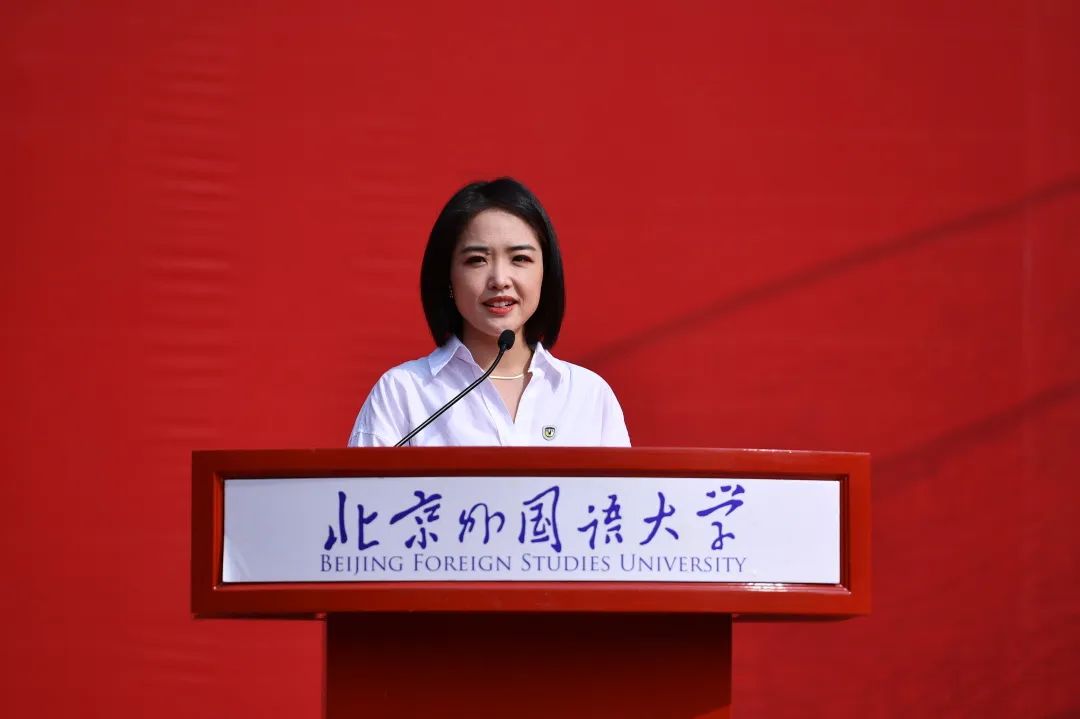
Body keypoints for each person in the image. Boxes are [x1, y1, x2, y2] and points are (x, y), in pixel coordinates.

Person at [348, 177, 630, 447]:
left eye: (520, 258)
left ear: (545, 273)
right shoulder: (402, 392)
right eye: (477, 260)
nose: (500, 280)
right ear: (448, 277)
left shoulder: (588, 395)